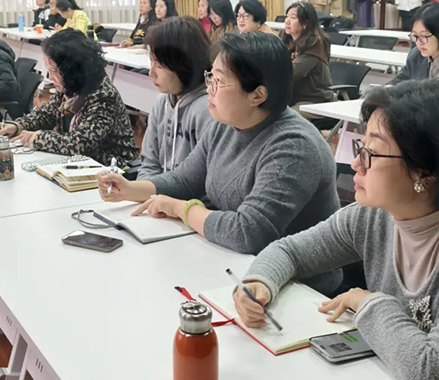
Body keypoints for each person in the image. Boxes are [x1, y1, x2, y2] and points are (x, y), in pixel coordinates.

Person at [234, 78, 439, 380]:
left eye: (372, 152)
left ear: (424, 174)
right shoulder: (374, 216)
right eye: (361, 147)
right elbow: (290, 251)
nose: (356, 163)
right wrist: (260, 282)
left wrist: (369, 303)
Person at [97, 33, 341, 289]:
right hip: (234, 262)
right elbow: (184, 180)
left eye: (219, 82)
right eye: (210, 78)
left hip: (297, 287)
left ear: (257, 95)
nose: (209, 90)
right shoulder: (227, 123)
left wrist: (181, 209)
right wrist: (129, 189)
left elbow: (248, 232)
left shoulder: (294, 146)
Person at [0, 29, 138, 165]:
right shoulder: (71, 87)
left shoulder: (103, 96)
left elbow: (81, 144)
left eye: (54, 72)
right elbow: (46, 114)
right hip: (81, 164)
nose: (50, 77)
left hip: (114, 167)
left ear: (72, 70)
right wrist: (17, 126)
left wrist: (37, 137)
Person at [138, 16, 214, 179]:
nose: (151, 72)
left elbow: (205, 181)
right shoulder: (161, 102)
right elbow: (149, 164)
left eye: (159, 65)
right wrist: (146, 191)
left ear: (184, 65)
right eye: (151, 62)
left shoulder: (208, 111)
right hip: (158, 192)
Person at [282, 2, 336, 113]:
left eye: (293, 17)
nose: (287, 21)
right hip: (293, 97)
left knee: (284, 118)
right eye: (287, 16)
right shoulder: (287, 40)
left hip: (314, 100)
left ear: (305, 23)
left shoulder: (315, 44)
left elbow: (291, 73)